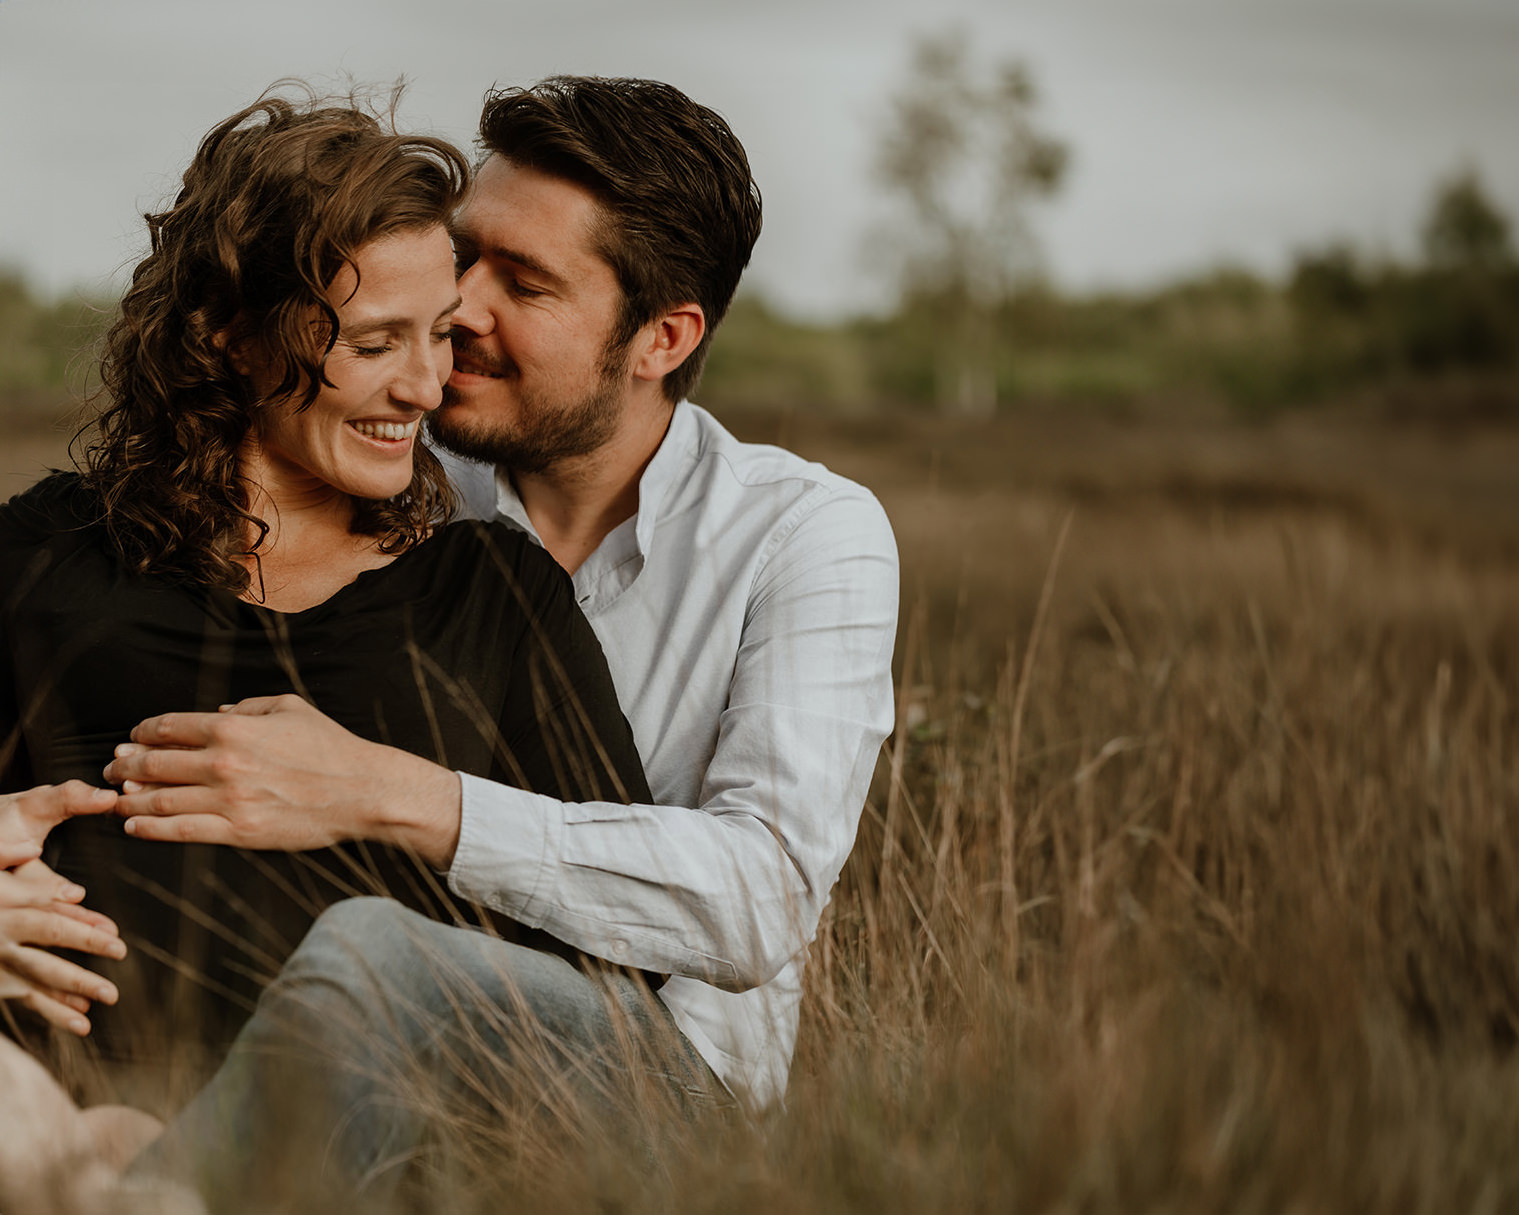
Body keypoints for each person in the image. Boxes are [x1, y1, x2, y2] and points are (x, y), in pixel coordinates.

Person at [99, 73, 899, 1203]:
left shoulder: (805, 535)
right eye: (465, 253)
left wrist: (396, 794)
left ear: (661, 338)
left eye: (522, 283)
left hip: (654, 1087)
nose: (459, 307)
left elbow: (759, 898)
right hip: (341, 1042)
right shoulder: (397, 469)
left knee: (377, 965)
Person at [0, 90, 654, 1072]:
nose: (426, 388)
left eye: (440, 335)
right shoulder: (47, 557)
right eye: (376, 343)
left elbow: (622, 939)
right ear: (231, 330)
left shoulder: (491, 596)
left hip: (371, 1134)